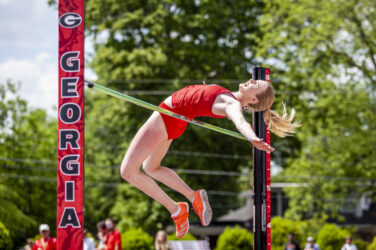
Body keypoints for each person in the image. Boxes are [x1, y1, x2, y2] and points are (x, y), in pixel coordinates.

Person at [120, 80, 298, 238]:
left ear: (253, 100)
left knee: (128, 172)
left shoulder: (231, 104)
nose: (251, 80)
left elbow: (240, 122)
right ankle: (192, 197)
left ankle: (176, 209)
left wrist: (252, 137)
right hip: (174, 120)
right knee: (151, 167)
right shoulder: (229, 95)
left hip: (167, 116)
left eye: (255, 85)